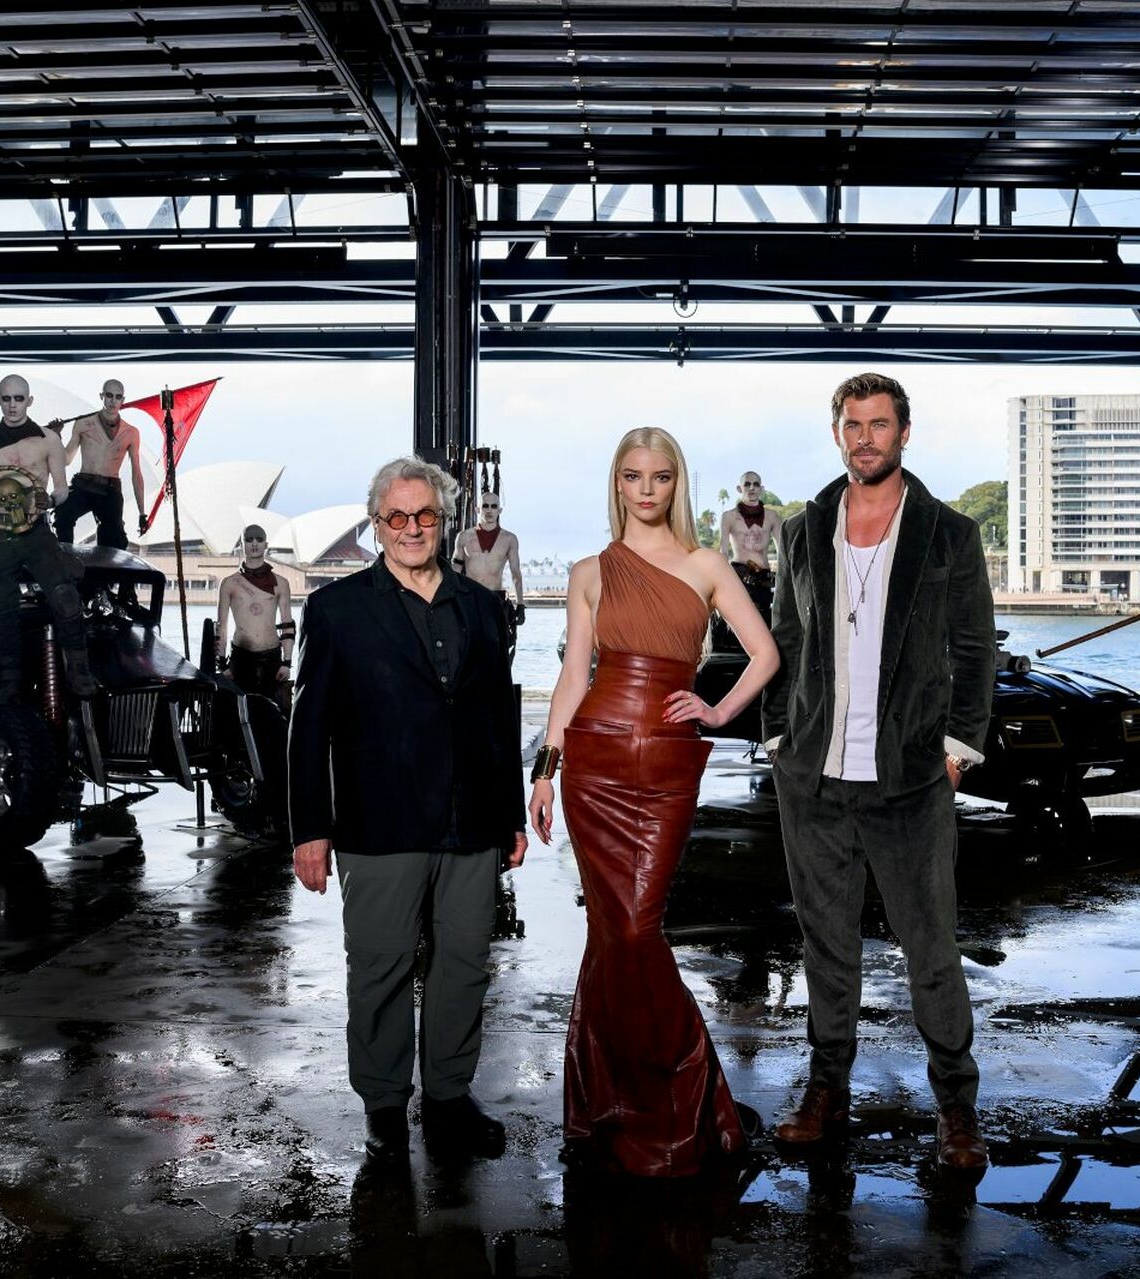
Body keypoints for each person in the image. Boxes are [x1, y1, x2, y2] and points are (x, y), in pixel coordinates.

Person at [529, 427, 780, 1177]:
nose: (646, 489)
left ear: (677, 484)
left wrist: (716, 710)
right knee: (612, 934)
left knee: (637, 929)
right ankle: (613, 1099)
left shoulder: (706, 564)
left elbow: (765, 653)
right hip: (595, 761)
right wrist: (545, 770)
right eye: (633, 476)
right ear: (617, 483)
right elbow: (574, 675)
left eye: (660, 476)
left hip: (667, 764)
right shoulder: (589, 571)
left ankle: (684, 1090)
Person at [761, 371, 995, 1171]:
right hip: (815, 778)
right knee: (826, 945)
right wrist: (777, 736)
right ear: (838, 434)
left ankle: (957, 1107)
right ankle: (826, 1090)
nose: (866, 438)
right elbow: (784, 640)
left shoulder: (948, 533)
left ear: (904, 432)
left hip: (910, 778)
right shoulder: (803, 530)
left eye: (880, 424)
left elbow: (974, 649)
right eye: (853, 425)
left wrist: (958, 750)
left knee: (929, 947)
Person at [288, 457, 527, 1166]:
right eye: (397, 516)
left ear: (443, 520)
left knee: (465, 962)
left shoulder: (481, 607)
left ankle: (449, 1097)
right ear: (377, 524)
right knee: (381, 965)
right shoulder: (336, 610)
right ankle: (385, 1106)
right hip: (379, 821)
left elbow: (498, 717)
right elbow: (309, 728)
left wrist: (510, 814)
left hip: (470, 819)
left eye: (424, 515)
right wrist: (310, 830)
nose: (412, 528)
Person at [0, 373, 97, 703]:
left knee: (64, 594)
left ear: (29, 401)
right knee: (3, 607)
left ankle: (79, 672)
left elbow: (62, 491)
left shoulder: (49, 440)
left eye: (18, 399)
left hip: (37, 532)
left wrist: (48, 500)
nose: (12, 405)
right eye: (6, 399)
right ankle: (10, 683)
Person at [52, 379, 148, 549]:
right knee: (63, 515)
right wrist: (56, 437)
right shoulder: (83, 423)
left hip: (109, 491)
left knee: (115, 539)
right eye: (109, 395)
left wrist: (142, 513)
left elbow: (137, 473)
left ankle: (106, 564)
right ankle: (64, 559)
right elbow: (66, 459)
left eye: (117, 397)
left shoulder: (131, 433)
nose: (113, 401)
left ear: (123, 400)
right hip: (83, 485)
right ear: (101, 396)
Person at [215, 523, 294, 701]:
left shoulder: (281, 583)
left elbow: (287, 623)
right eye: (249, 539)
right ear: (242, 545)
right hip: (240, 657)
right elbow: (221, 626)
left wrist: (287, 662)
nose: (255, 543)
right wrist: (222, 664)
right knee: (239, 711)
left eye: (259, 539)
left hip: (272, 658)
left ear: (266, 544)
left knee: (272, 711)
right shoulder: (229, 583)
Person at [452, 490, 525, 656]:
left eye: (494, 506)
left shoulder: (509, 539)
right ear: (478, 509)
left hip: (495, 599)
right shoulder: (464, 537)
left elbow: (516, 573)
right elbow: (455, 571)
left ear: (499, 510)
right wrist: (451, 601)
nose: (489, 510)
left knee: (498, 649)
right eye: (485, 506)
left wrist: (520, 604)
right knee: (468, 648)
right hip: (469, 598)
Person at [718, 471, 783, 572]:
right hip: (738, 576)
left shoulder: (772, 516)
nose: (752, 488)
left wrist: (781, 576)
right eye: (747, 484)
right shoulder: (728, 517)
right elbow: (723, 552)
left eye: (756, 484)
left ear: (761, 489)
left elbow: (781, 550)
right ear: (739, 488)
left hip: (765, 577)